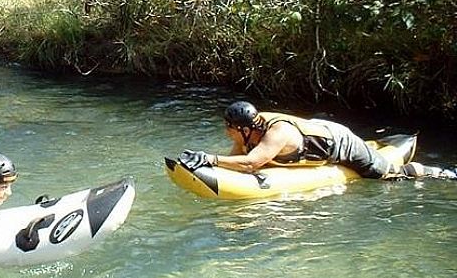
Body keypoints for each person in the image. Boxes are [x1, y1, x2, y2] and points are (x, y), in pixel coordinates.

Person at [180, 100, 455, 179]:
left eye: (228, 127)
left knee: (386, 174)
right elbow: (241, 157)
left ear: (242, 128)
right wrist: (215, 166)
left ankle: (438, 171)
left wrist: (210, 158)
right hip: (315, 133)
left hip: (340, 143)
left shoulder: (276, 133)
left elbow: (251, 164)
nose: (226, 131)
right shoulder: (248, 132)